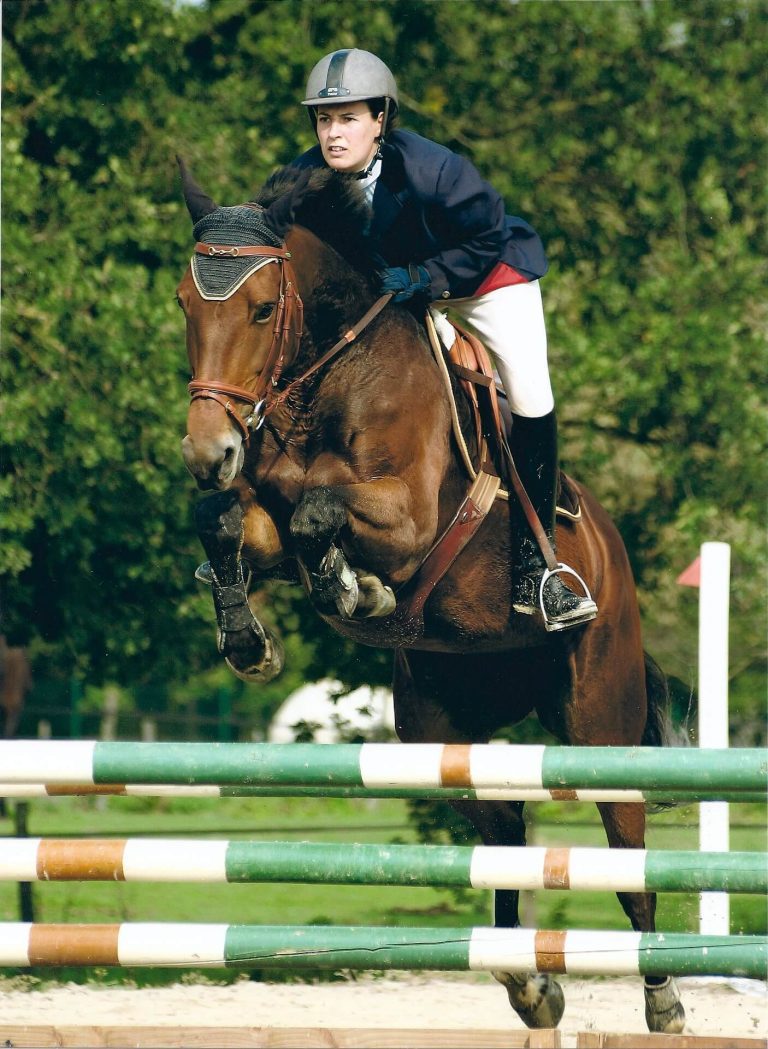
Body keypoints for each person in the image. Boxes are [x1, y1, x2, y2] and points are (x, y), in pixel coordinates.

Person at [293, 48, 597, 631]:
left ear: (381, 119)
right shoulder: (306, 178)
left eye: (349, 118)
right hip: (393, 291)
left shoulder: (435, 169)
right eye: (325, 120)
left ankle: (539, 571)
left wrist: (427, 280)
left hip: (483, 280)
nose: (333, 133)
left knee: (531, 395)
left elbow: (485, 237)